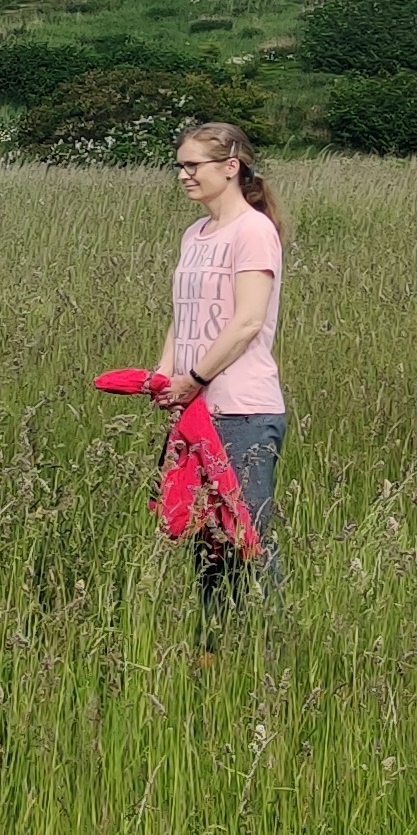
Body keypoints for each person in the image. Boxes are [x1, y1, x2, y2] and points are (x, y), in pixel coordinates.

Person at [158, 120, 286, 604]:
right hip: (194, 409)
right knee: (206, 540)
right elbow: (183, 316)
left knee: (246, 538)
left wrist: (193, 378)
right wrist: (165, 377)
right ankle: (214, 647)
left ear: (231, 167)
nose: (184, 176)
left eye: (193, 165)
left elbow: (247, 321)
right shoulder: (195, 233)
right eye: (180, 167)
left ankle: (266, 644)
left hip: (242, 411)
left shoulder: (253, 231)